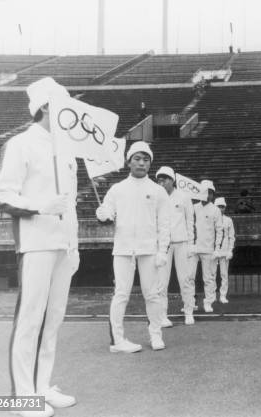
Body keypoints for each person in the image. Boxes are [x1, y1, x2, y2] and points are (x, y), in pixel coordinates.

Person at [0, 77, 79, 417]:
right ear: (46, 107)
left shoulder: (67, 148)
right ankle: (22, 398)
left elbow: (69, 204)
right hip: (36, 244)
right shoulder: (21, 144)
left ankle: (43, 386)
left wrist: (74, 244)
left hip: (64, 245)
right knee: (30, 319)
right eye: (64, 103)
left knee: (53, 318)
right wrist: (41, 206)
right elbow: (4, 195)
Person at [96, 141, 170, 353]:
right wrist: (103, 214)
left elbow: (164, 225)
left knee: (152, 295)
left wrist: (162, 251)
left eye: (146, 159)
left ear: (150, 164)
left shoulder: (158, 191)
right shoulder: (117, 189)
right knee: (121, 294)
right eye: (137, 158)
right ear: (129, 161)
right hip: (123, 249)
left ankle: (156, 334)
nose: (141, 163)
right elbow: (107, 211)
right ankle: (117, 340)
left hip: (149, 250)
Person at [155, 166, 195, 327]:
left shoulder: (184, 197)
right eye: (159, 180)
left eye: (164, 179)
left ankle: (189, 311)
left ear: (172, 180)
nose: (161, 182)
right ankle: (162, 315)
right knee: (161, 282)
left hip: (182, 243)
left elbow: (190, 222)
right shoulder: (157, 197)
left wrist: (191, 244)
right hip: (163, 245)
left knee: (185, 279)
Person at [189, 179, 223, 313]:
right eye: (205, 192)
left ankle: (208, 302)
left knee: (208, 278)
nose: (208, 195)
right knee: (189, 277)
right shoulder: (193, 207)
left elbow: (219, 230)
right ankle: (190, 302)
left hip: (208, 249)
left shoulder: (215, 210)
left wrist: (217, 249)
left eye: (210, 193)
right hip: (193, 248)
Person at [213, 197, 235, 304]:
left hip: (225, 250)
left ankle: (223, 295)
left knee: (224, 275)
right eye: (218, 207)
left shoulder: (228, 220)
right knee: (211, 275)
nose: (220, 209)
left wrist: (230, 250)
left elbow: (231, 236)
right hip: (213, 250)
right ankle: (211, 295)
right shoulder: (211, 219)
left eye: (222, 207)